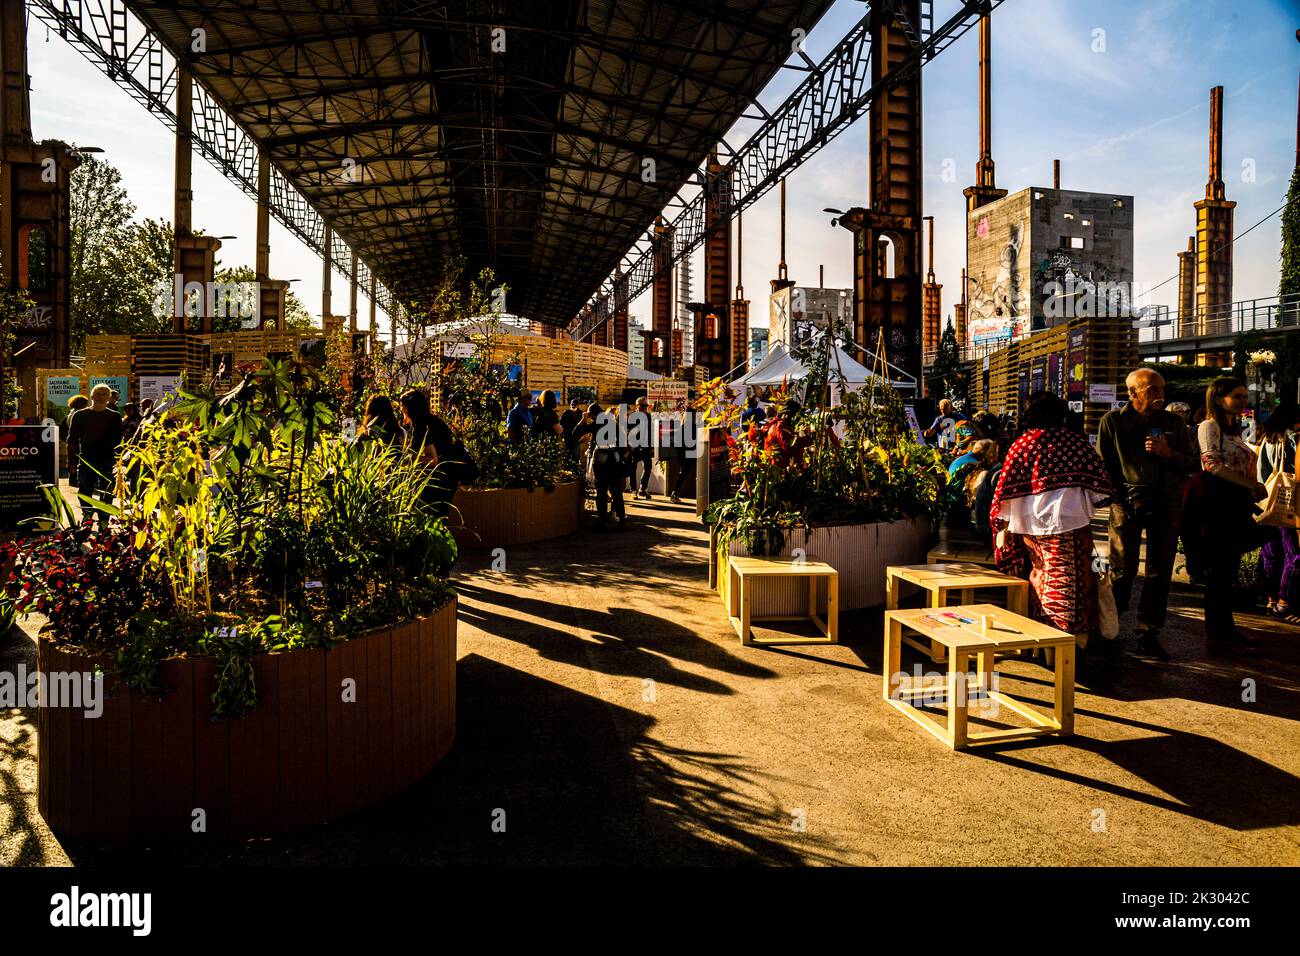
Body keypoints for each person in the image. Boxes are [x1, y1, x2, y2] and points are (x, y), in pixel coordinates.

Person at [991, 392, 1113, 659]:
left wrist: (1004, 526)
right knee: (1073, 581)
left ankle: (1042, 641)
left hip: (1029, 525)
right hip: (1071, 521)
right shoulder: (1075, 442)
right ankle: (1068, 643)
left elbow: (1003, 493)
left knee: (1039, 576)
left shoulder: (1021, 445)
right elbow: (1101, 489)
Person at [1096, 368, 1198, 660]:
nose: (1159, 395)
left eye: (1162, 389)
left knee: (1159, 569)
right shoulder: (1113, 422)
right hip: (1126, 502)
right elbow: (1105, 467)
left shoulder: (1173, 423)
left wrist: (1169, 453)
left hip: (1166, 502)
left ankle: (1148, 630)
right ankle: (1110, 627)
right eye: (1152, 389)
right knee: (1122, 568)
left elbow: (1193, 463)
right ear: (1132, 392)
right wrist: (1118, 500)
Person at [1196, 377, 1268, 654]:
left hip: (1236, 505)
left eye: (1243, 396)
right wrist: (1250, 485)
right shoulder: (1209, 426)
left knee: (1228, 572)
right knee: (1220, 573)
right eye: (1236, 396)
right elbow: (1211, 464)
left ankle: (1227, 630)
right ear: (1218, 398)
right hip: (1219, 507)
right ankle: (1217, 634)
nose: (1242, 400)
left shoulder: (1234, 429)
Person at [1255, 402, 1300, 621]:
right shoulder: (1292, 437)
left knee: (1271, 551)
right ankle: (1284, 601)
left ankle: (1271, 599)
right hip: (1287, 502)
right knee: (1294, 553)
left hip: (1267, 501)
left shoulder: (1267, 437)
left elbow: (1261, 473)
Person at [400, 388, 471, 518]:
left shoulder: (421, 426)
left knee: (432, 522)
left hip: (438, 482)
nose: (401, 411)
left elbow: (433, 460)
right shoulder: (433, 421)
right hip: (449, 478)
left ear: (407, 408)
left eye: (402, 407)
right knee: (439, 521)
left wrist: (407, 457)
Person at [67, 383, 123, 518]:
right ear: (91, 396)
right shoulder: (80, 415)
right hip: (86, 459)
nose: (101, 397)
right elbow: (72, 440)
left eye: (104, 394)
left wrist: (119, 463)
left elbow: (119, 441)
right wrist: (71, 461)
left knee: (107, 493)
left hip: (108, 461)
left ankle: (104, 521)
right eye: (98, 394)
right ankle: (87, 518)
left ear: (109, 397)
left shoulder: (114, 417)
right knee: (85, 491)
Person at [575, 403, 626, 530]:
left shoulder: (596, 424)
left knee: (601, 490)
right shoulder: (614, 423)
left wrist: (583, 419)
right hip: (614, 457)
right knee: (616, 490)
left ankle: (602, 522)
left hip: (601, 458)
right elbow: (623, 443)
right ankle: (621, 520)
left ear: (592, 414)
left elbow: (575, 433)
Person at [628, 395, 654, 499]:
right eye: (643, 406)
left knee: (648, 467)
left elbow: (650, 431)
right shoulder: (632, 416)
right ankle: (633, 490)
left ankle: (643, 489)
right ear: (637, 406)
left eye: (646, 405)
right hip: (634, 446)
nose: (645, 408)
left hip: (646, 446)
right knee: (632, 469)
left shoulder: (648, 416)